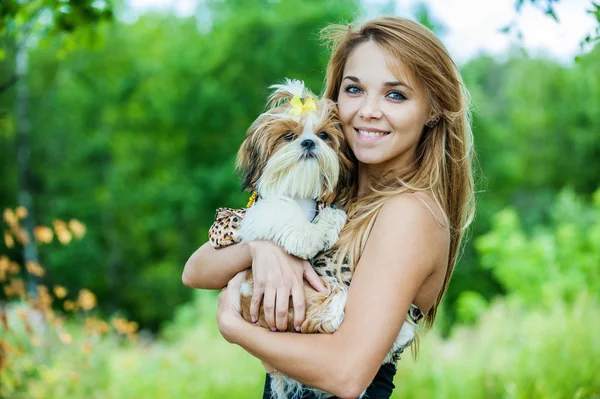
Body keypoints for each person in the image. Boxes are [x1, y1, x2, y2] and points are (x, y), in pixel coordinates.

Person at [182, 16, 474, 399]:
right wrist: (262, 247)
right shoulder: (327, 192)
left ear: (433, 109)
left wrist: (236, 328)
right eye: (354, 90)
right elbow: (196, 269)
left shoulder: (410, 212)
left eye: (395, 95)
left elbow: (346, 375)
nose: (368, 110)